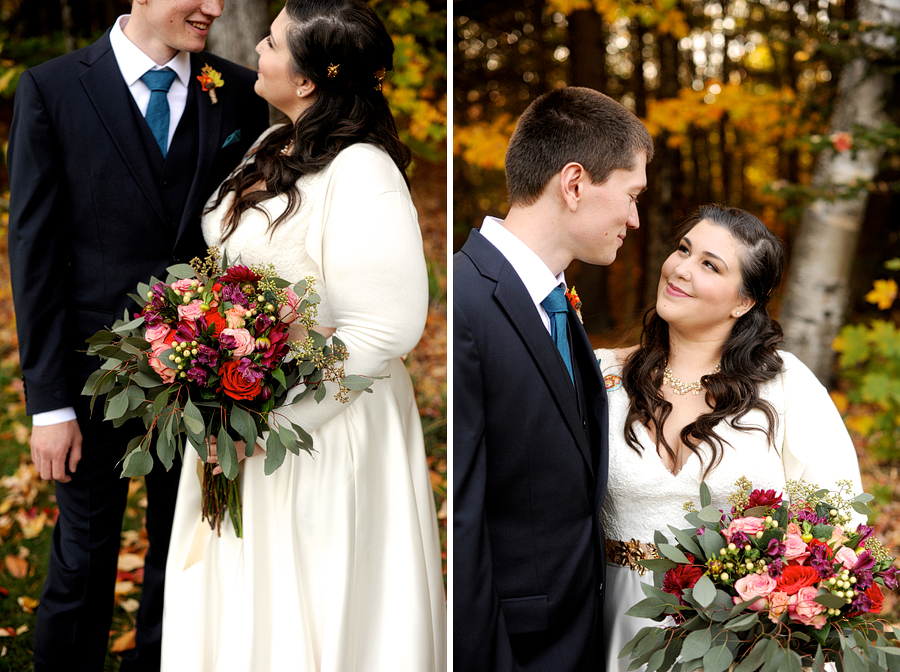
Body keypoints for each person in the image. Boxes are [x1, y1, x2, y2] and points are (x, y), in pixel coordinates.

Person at [158, 1, 446, 670]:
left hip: (320, 427)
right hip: (243, 412)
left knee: (309, 600)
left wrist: (275, 416)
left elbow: (386, 326)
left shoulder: (362, 171)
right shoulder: (270, 143)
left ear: (309, 78)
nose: (256, 46)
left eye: (273, 40)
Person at [6, 1, 269, 670]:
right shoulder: (53, 88)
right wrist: (49, 404)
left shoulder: (238, 90)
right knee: (84, 554)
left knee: (179, 554)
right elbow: (32, 255)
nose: (213, 8)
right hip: (90, 378)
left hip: (204, 376)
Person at [596, 204, 865, 671]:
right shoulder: (602, 376)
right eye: (683, 249)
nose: (680, 269)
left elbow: (839, 526)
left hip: (742, 636)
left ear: (744, 301)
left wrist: (798, 631)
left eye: (709, 264)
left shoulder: (786, 387)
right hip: (614, 621)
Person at [454, 86, 654, 672]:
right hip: (513, 647)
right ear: (574, 184)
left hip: (578, 637)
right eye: (631, 196)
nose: (635, 219)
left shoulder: (555, 302)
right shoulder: (468, 301)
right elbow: (464, 522)